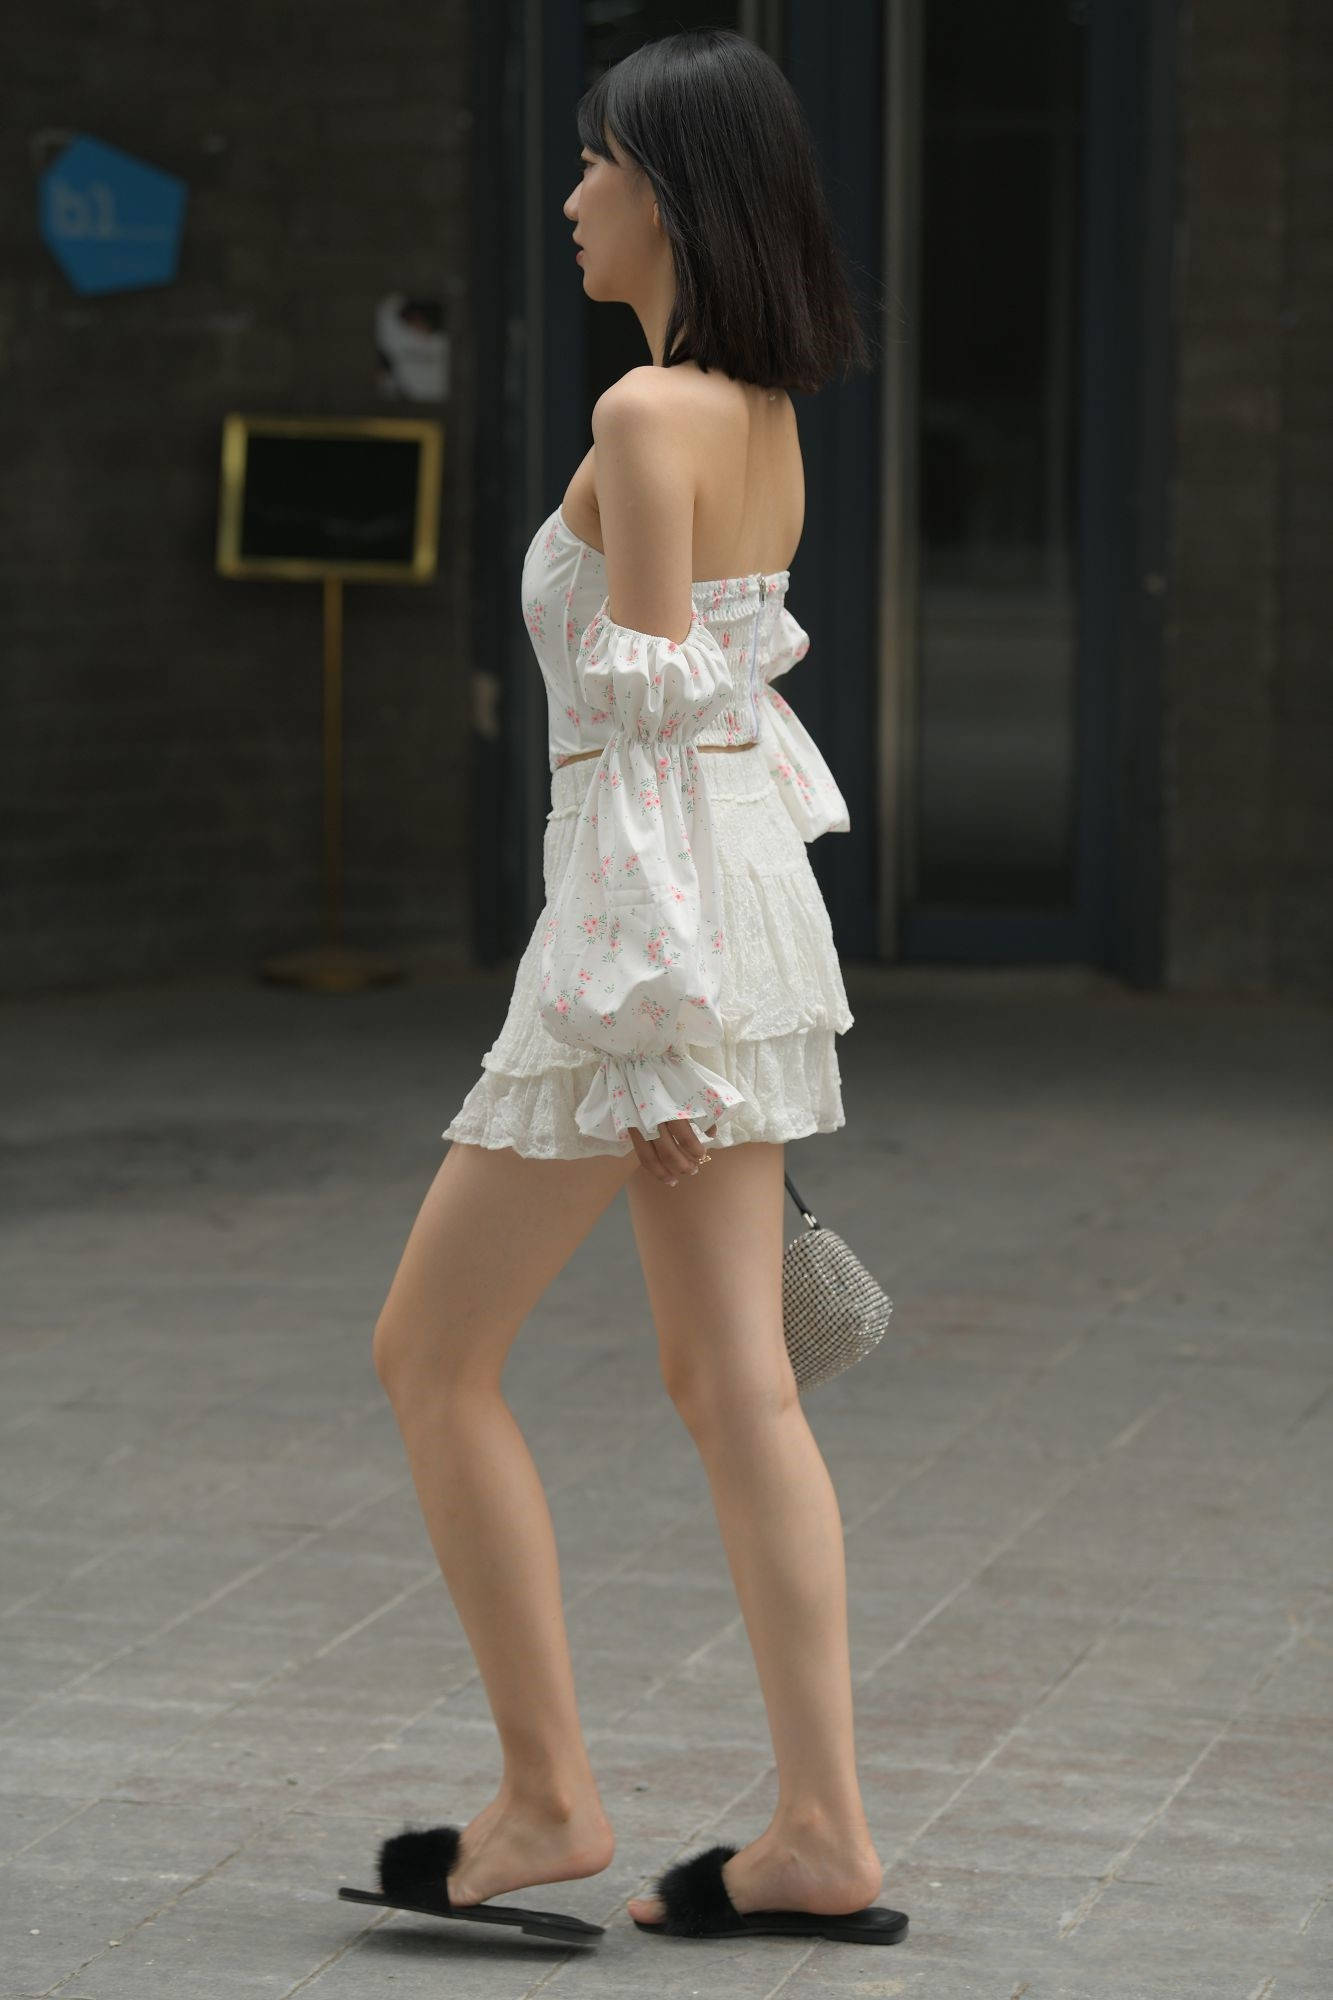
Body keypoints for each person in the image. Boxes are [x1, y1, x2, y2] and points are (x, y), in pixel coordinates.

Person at [368, 26, 904, 1949]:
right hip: (728, 912)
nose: (572, 195)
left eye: (597, 161)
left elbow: (657, 744)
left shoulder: (647, 413)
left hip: (653, 928)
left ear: (667, 189)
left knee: (432, 1357)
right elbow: (711, 718)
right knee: (734, 1384)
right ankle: (818, 1834)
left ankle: (545, 1800)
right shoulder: (757, 409)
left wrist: (652, 1033)